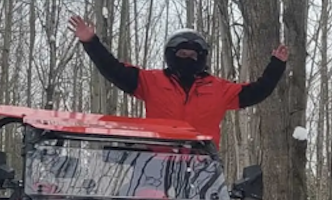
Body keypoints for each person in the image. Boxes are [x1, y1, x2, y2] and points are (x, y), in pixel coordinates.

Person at [68, 15, 288, 147]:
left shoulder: (219, 89)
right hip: (156, 160)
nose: (188, 59)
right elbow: (113, 69)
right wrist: (91, 42)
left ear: (201, 58)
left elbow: (258, 91)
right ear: (172, 55)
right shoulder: (151, 81)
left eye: (193, 55)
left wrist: (276, 66)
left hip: (201, 162)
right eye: (182, 54)